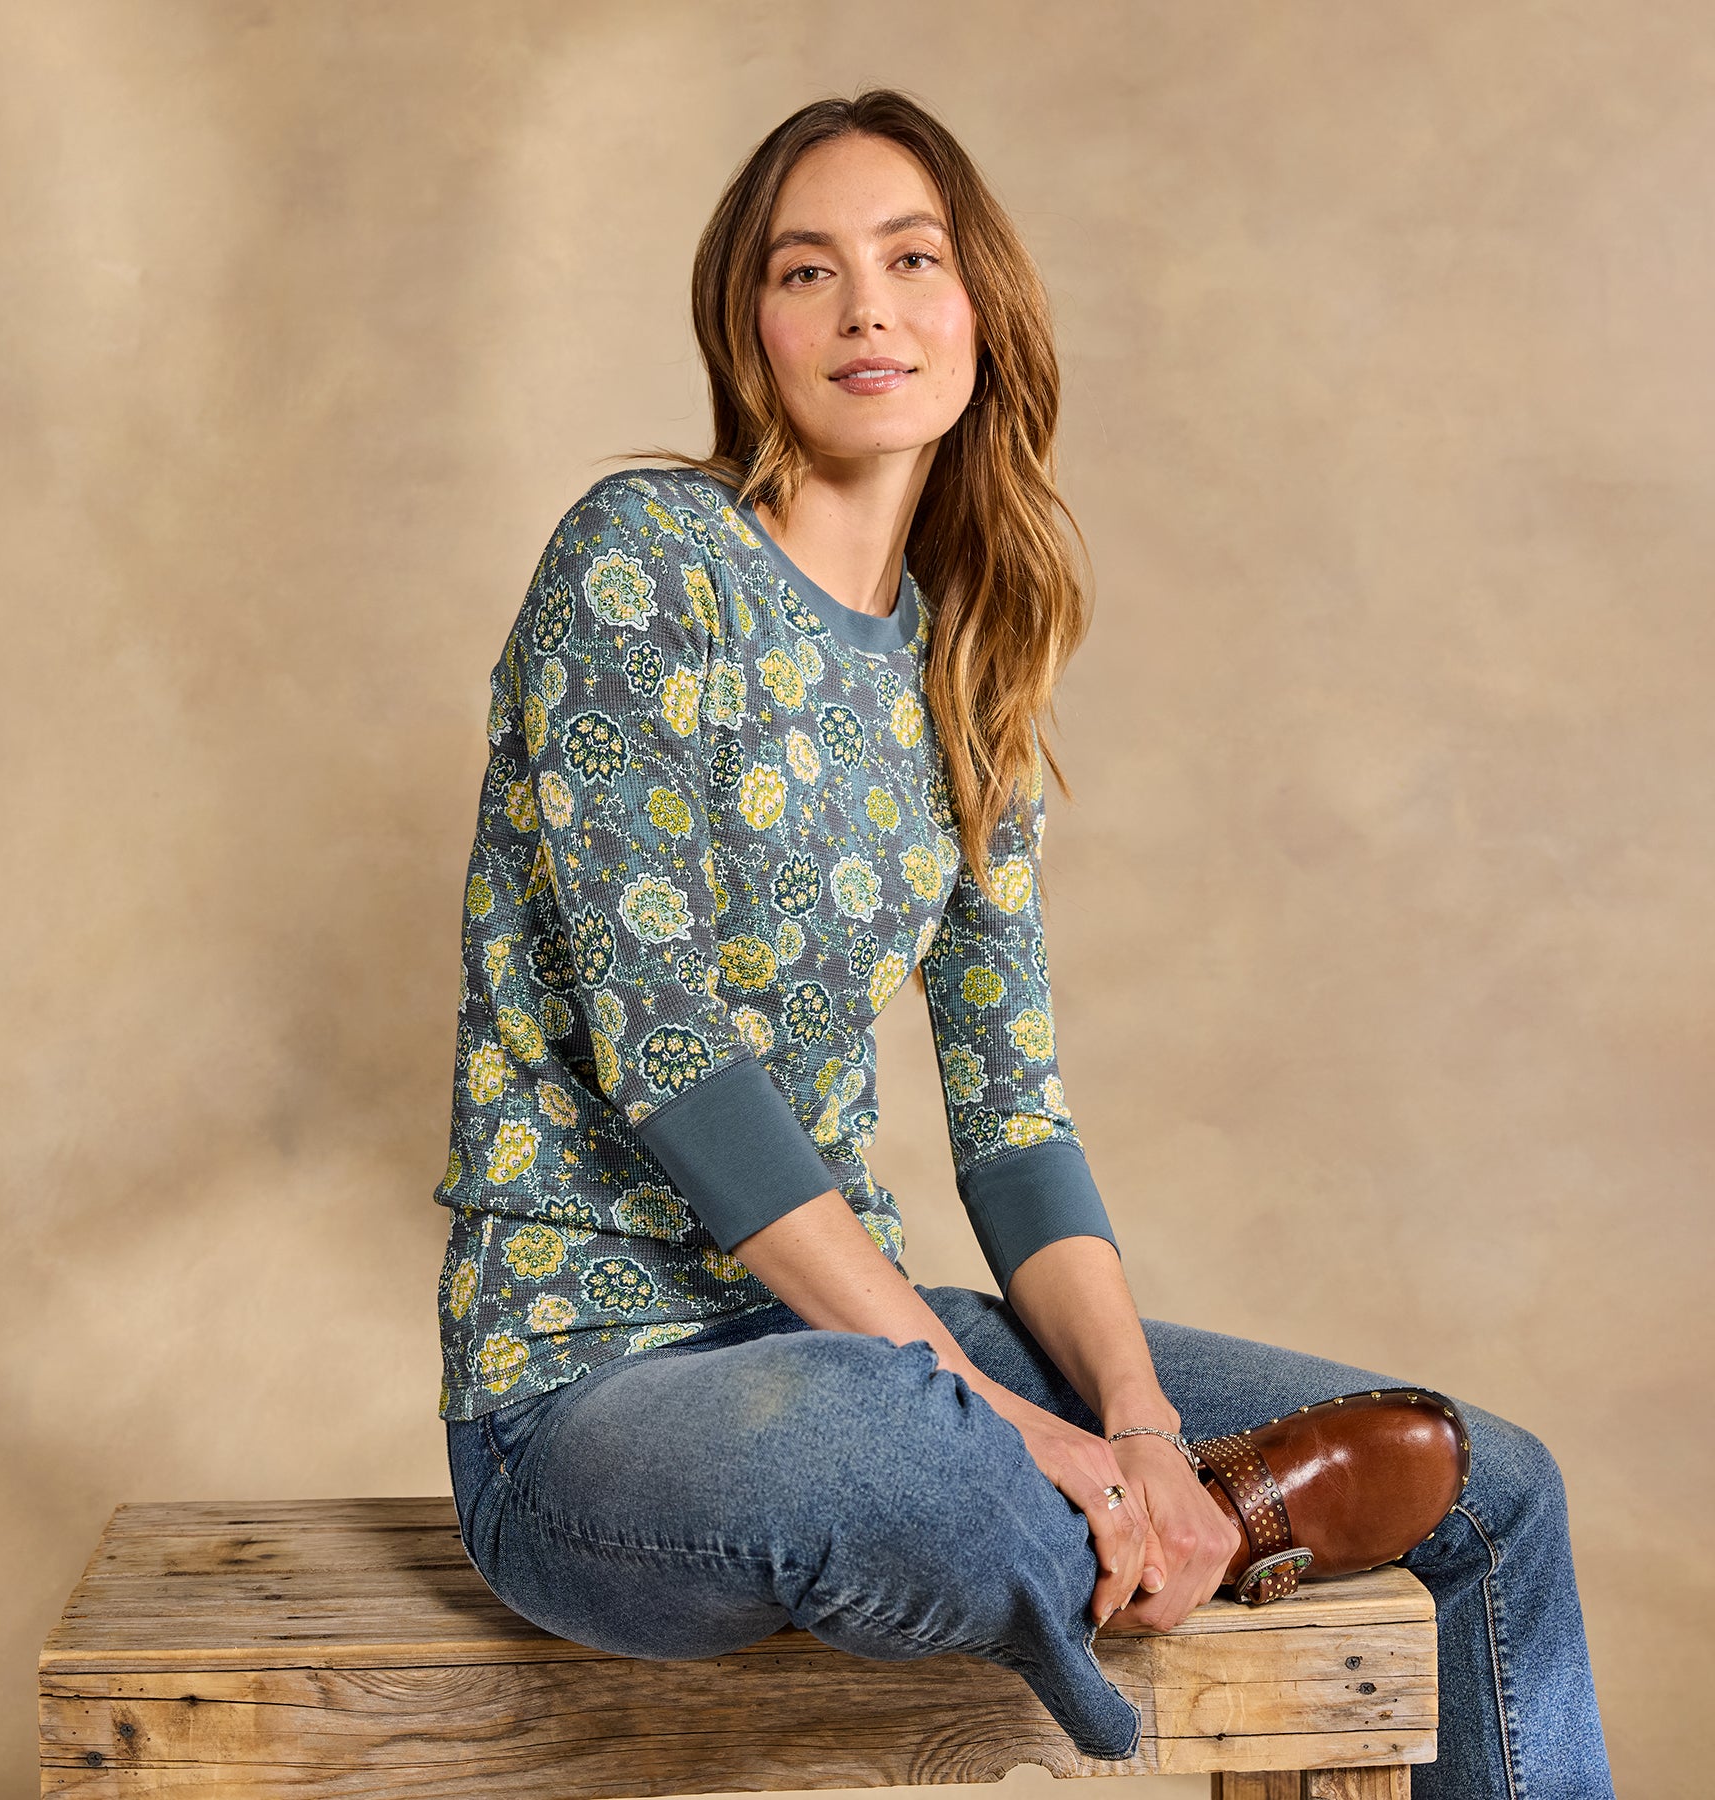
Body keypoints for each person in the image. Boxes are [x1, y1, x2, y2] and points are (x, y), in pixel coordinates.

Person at [434, 90, 1614, 1800]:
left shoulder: (966, 666)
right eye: (807, 272)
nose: (867, 310)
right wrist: (1022, 1432)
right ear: (749, 331)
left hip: (858, 1343)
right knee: (920, 1479)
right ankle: (1155, 1518)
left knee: (1491, 1485)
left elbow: (1012, 1120)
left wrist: (1135, 1424)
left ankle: (1174, 1507)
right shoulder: (641, 562)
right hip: (589, 1394)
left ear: (980, 307)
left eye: (912, 260)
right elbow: (670, 1052)